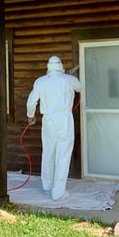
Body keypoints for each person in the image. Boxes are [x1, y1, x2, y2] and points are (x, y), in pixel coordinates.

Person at [26, 56, 83, 201]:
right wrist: (73, 76)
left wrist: (30, 116)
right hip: (64, 119)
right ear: (61, 66)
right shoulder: (69, 80)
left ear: (48, 67)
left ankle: (47, 187)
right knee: (63, 155)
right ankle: (58, 192)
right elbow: (80, 88)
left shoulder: (41, 81)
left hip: (48, 119)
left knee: (48, 152)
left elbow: (31, 101)